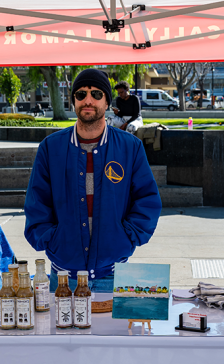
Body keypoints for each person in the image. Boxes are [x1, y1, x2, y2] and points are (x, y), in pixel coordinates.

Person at [24, 68, 162, 293]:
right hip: (62, 278)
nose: (88, 100)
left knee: (115, 330)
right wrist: (52, 239)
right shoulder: (51, 148)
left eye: (97, 94)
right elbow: (36, 203)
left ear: (107, 102)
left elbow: (147, 200)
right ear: (73, 102)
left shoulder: (130, 148)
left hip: (114, 275)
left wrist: (125, 238)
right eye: (81, 94)